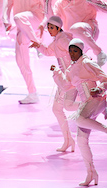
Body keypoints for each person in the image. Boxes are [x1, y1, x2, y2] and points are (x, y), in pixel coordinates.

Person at [51, 38, 107, 186]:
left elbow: (105, 78)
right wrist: (57, 73)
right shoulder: (71, 69)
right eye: (70, 51)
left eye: (75, 51)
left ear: (81, 51)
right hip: (86, 103)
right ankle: (91, 173)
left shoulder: (87, 63)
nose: (72, 54)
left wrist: (100, 88)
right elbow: (66, 86)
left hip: (97, 99)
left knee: (79, 119)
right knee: (82, 141)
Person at [30, 16, 80, 152]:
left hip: (70, 79)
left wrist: (75, 73)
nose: (49, 30)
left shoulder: (63, 40)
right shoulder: (57, 40)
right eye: (48, 28)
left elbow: (75, 53)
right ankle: (68, 140)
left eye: (52, 27)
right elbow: (47, 51)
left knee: (67, 106)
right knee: (57, 109)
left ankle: (89, 106)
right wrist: (38, 45)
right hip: (64, 79)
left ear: (58, 27)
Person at [4, 0, 45, 104]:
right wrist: (6, 21)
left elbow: (48, 8)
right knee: (20, 61)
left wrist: (44, 24)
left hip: (35, 19)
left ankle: (37, 43)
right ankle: (32, 93)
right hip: (21, 26)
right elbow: (7, 7)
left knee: (19, 17)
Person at [50, 0, 107, 66]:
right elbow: (55, 23)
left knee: (75, 29)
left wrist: (95, 1)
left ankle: (99, 53)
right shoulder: (59, 4)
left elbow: (105, 8)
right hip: (74, 40)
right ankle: (87, 63)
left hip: (89, 30)